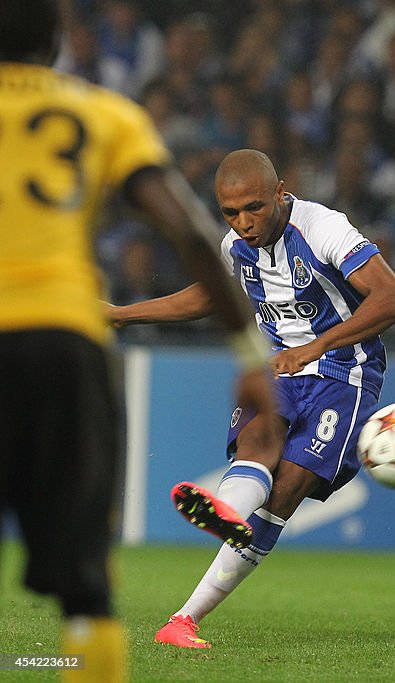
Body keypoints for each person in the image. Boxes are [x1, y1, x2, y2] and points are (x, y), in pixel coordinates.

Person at [0, 2, 275, 681]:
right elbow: (185, 232)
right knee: (85, 586)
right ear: (57, 38)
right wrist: (248, 356)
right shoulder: (105, 114)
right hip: (66, 345)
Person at [108, 148, 395, 648]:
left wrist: (316, 346)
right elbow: (209, 296)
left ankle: (190, 609)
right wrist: (124, 314)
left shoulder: (324, 229)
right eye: (231, 213)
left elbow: (394, 297)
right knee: (255, 441)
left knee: (285, 489)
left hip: (344, 373)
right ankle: (223, 526)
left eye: (254, 208)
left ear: (280, 192)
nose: (244, 223)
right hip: (276, 366)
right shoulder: (235, 246)